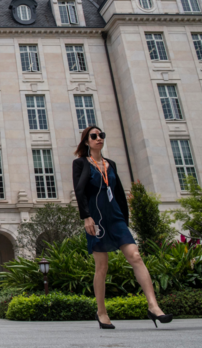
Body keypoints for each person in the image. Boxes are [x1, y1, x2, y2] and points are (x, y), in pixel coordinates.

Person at [73, 125, 172, 329]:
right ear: (86, 141)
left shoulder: (111, 164)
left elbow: (118, 194)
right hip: (96, 219)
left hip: (116, 217)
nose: (99, 138)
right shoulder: (80, 163)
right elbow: (79, 190)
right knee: (102, 266)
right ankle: (101, 312)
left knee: (135, 256)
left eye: (101, 135)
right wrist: (86, 217)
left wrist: (125, 221)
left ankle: (153, 306)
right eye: (94, 136)